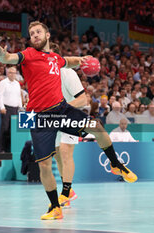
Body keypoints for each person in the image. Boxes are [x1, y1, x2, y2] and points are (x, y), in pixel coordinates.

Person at [0, 21, 137, 220]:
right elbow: (10, 57)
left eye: (38, 32)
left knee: (97, 127)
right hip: (40, 117)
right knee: (44, 165)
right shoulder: (28, 54)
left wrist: (81, 59)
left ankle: (115, 164)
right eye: (31, 33)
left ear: (47, 35)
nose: (34, 35)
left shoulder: (54, 58)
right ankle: (55, 207)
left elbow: (65, 61)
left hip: (61, 110)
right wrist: (2, 56)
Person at [49, 42, 87, 208]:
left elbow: (83, 99)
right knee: (57, 155)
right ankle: (69, 191)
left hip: (71, 116)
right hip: (54, 118)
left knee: (65, 152)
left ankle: (65, 193)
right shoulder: (45, 75)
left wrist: (64, 109)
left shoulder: (68, 73)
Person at [0, 66, 22, 152]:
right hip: (6, 108)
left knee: (13, 130)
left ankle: (11, 148)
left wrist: (20, 107)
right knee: (5, 129)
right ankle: (2, 148)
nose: (13, 74)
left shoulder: (17, 84)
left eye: (14, 73)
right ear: (8, 73)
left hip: (15, 109)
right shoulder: (3, 83)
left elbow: (19, 96)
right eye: (11, 72)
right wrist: (2, 107)